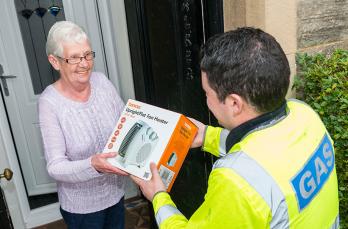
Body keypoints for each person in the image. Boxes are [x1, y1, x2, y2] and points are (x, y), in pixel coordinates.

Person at [131, 27, 340, 228]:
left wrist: (158, 197)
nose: (206, 100)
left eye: (206, 93)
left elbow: (253, 170)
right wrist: (207, 136)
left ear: (234, 103)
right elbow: (267, 157)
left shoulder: (236, 180)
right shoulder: (303, 114)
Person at [39, 21, 128, 229]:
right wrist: (93, 165)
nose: (85, 64)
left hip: (115, 193)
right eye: (74, 58)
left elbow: (126, 123)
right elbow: (55, 166)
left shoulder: (102, 82)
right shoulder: (49, 103)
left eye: (88, 55)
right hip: (82, 209)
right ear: (55, 61)